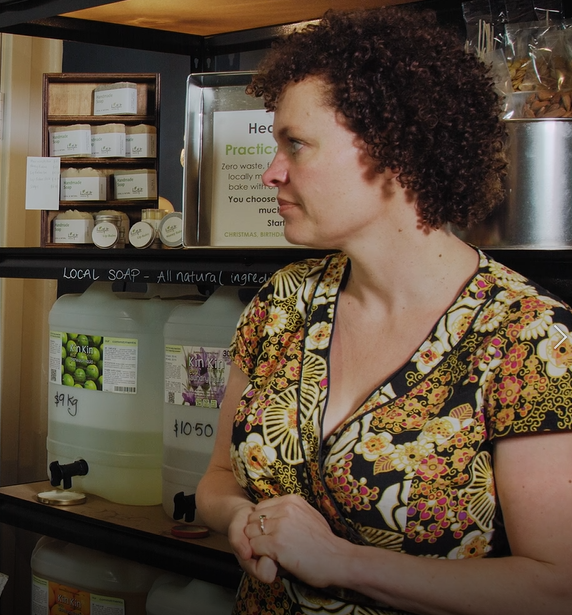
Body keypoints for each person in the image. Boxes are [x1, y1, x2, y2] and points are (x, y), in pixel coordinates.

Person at [195, 7, 572, 615]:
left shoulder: (529, 339)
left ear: (395, 151)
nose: (272, 173)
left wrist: (341, 562)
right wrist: (244, 520)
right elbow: (215, 482)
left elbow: (556, 588)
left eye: (297, 144)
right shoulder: (283, 303)